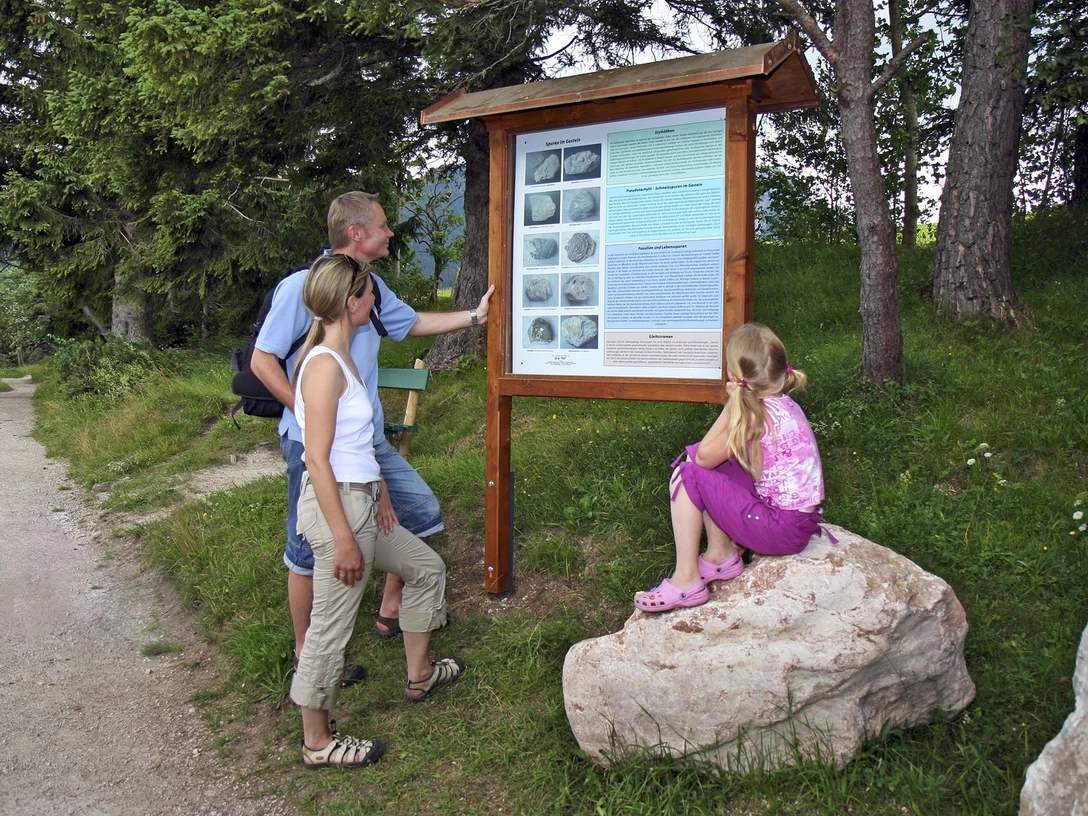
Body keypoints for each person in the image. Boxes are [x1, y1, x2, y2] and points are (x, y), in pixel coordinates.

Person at [252, 191, 494, 682]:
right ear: (356, 233)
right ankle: (307, 655)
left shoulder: (372, 289)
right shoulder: (303, 287)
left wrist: (475, 317)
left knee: (419, 512)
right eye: (383, 226)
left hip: (366, 441)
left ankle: (390, 611)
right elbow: (263, 360)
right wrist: (308, 414)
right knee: (305, 553)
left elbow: (412, 324)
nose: (390, 233)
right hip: (313, 445)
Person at [290, 253, 463, 769]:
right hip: (338, 509)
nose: (376, 302)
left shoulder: (341, 358)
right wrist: (343, 537)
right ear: (351, 302)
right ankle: (316, 743)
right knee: (330, 628)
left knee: (426, 568)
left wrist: (382, 489)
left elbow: (354, 442)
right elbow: (316, 459)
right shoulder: (323, 366)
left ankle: (420, 674)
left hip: (362, 500)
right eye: (371, 295)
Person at [635, 323, 826, 613]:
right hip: (796, 524)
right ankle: (720, 555)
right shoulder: (784, 403)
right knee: (716, 465)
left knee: (688, 474)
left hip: (779, 530)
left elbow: (702, 458)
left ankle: (687, 579)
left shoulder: (754, 414)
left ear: (737, 378)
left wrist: (729, 406)